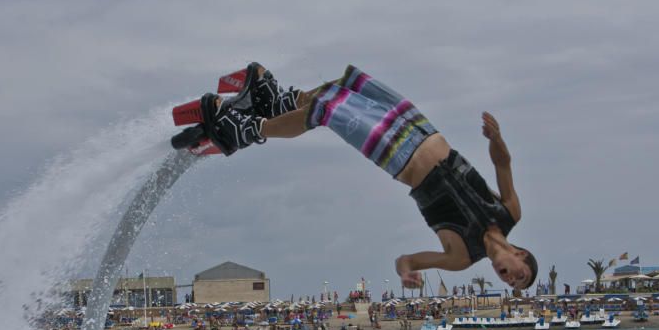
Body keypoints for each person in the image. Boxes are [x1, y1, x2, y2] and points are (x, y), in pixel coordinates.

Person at [197, 63, 539, 292]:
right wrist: (497, 139)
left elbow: (407, 259)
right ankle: (278, 103)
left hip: (396, 156)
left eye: (510, 283)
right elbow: (503, 164)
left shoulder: (461, 257)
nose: (507, 278)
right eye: (517, 275)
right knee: (347, 88)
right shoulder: (509, 213)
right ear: (521, 254)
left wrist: (405, 272)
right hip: (424, 131)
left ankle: (244, 131)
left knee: (325, 112)